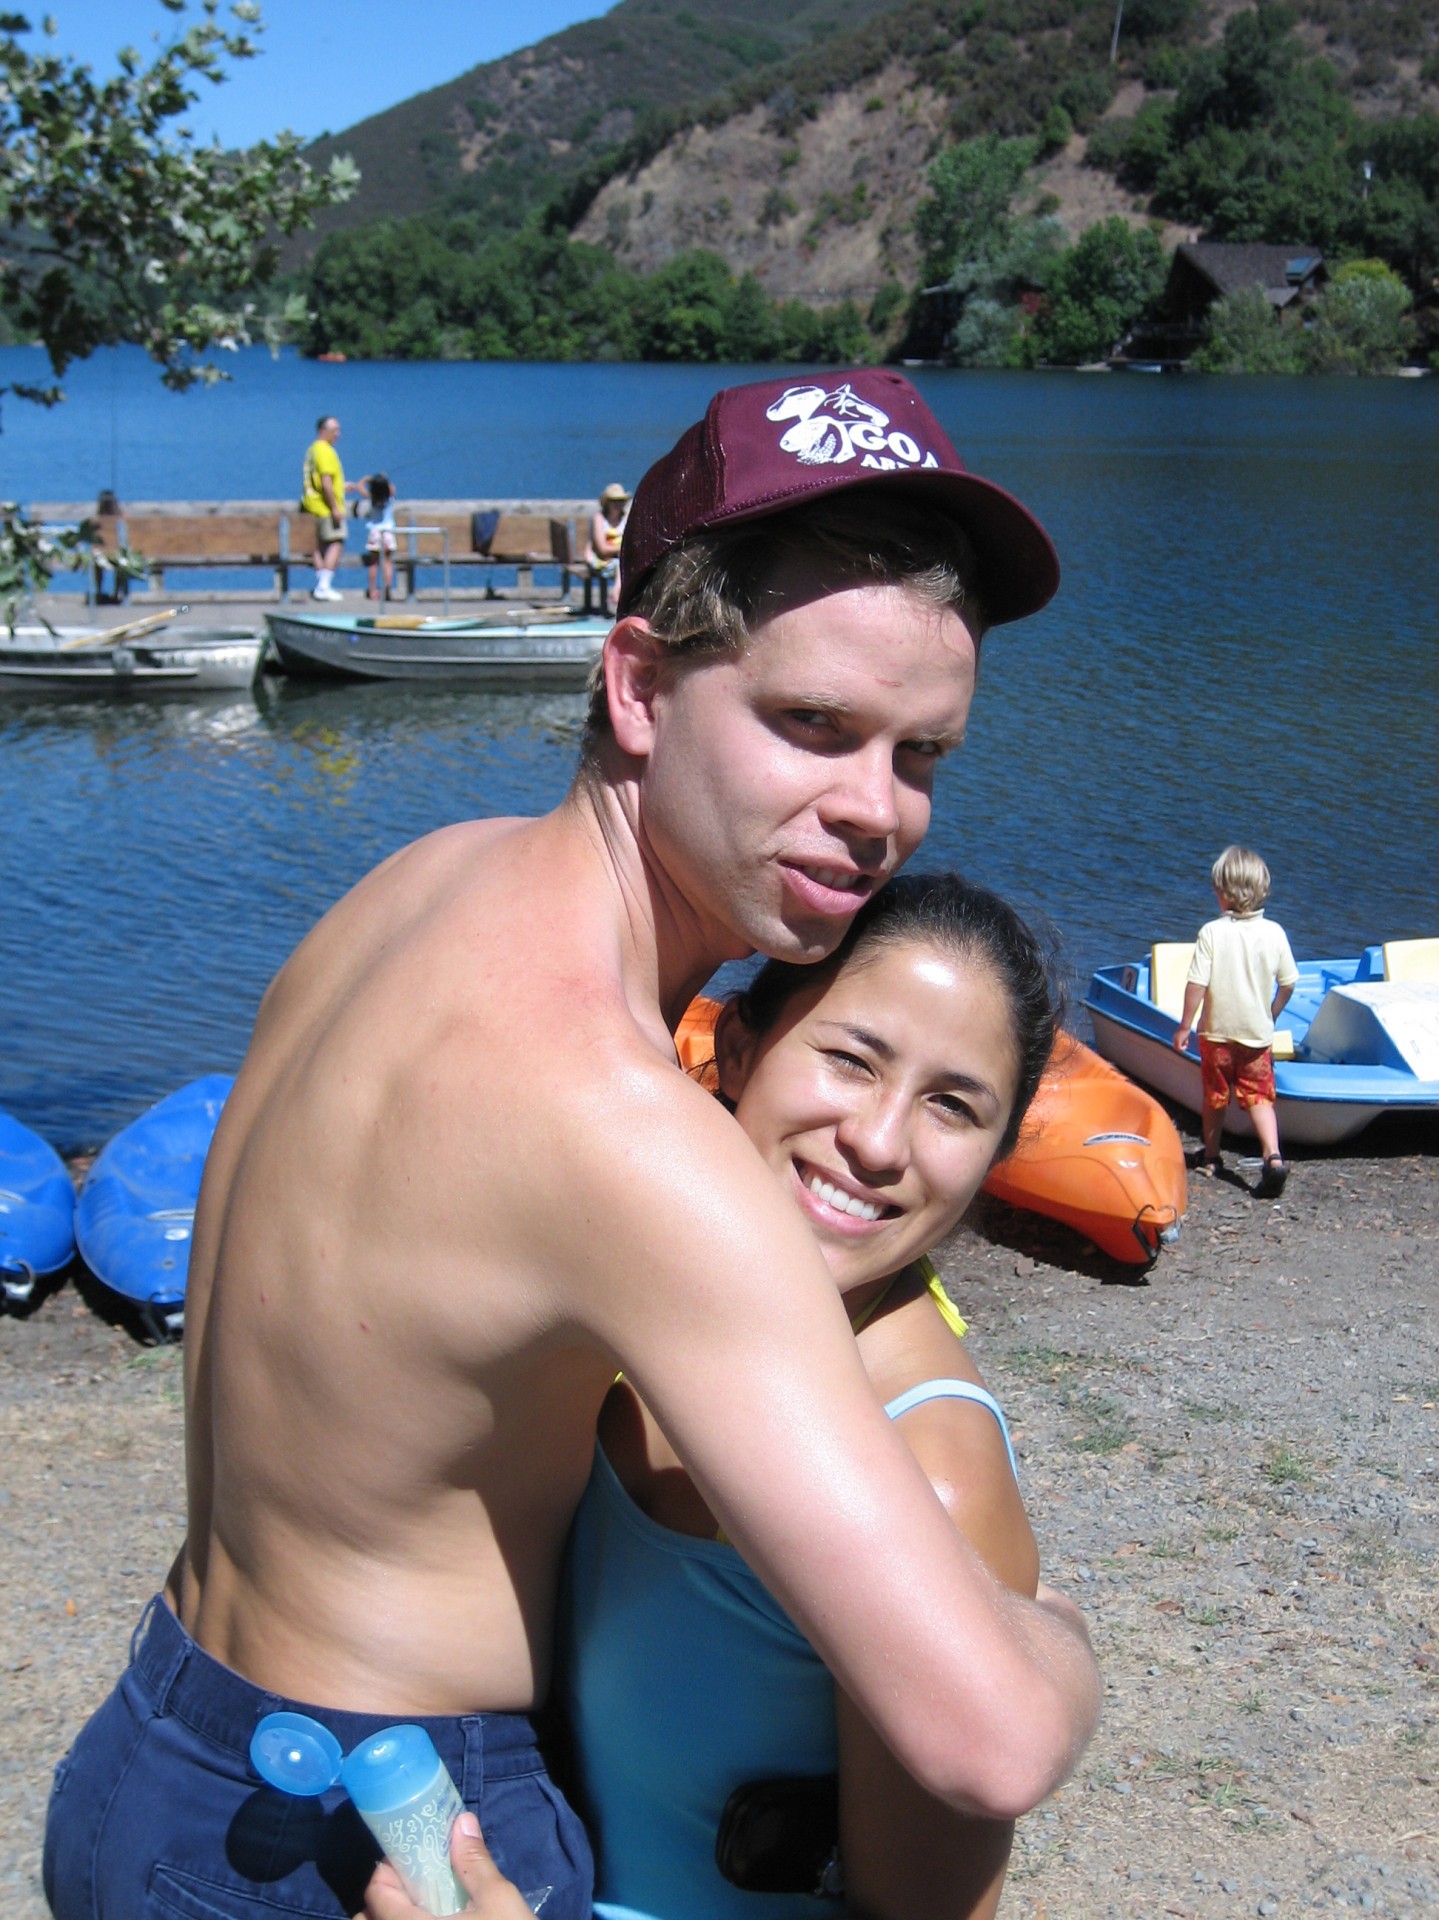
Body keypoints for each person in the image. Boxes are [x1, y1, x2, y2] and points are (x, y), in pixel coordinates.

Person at [44, 370, 1098, 1920]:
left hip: (159, 1753)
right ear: (637, 686)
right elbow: (981, 1742)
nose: (875, 811)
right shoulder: (626, 1130)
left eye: (919, 753)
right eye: (811, 725)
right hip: (399, 1841)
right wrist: (1057, 1635)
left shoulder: (411, 886)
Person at [368, 872, 1057, 1920]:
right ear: (736, 1048)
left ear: (993, 1160)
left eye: (952, 1106)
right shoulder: (623, 1308)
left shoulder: (930, 1478)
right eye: (851, 1059)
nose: (878, 1143)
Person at [1172, 844, 1297, 1195]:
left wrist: (1185, 1025)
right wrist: (1271, 1013)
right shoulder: (1275, 932)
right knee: (1260, 1098)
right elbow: (1289, 983)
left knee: (1215, 1096)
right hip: (1256, 1035)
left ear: (1223, 893)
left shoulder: (1212, 932)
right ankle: (1273, 1157)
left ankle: (1212, 1157)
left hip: (1217, 1035)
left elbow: (1197, 984)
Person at [301, 413, 355, 601]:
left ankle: (321, 584)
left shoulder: (312, 450)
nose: (338, 434)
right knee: (336, 542)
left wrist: (342, 487)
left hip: (310, 505)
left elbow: (319, 481)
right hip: (325, 508)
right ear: (322, 431)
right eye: (334, 430)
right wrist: (335, 508)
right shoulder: (326, 451)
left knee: (315, 546)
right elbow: (325, 483)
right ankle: (323, 586)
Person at [585, 480, 629, 612]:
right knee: (621, 565)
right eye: (614, 501)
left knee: (624, 563)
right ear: (607, 503)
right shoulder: (599, 519)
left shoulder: (626, 518)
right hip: (601, 560)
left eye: (621, 501)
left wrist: (622, 551)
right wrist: (621, 550)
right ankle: (617, 593)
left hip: (621, 558)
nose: (618, 505)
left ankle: (621, 598)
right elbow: (602, 549)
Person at [357, 471, 399, 600]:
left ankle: (372, 590)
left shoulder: (372, 497)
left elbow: (359, 487)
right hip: (388, 532)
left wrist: (367, 479)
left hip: (375, 532)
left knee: (373, 563)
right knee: (388, 562)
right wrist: (384, 478)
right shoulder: (389, 496)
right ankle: (387, 588)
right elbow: (392, 488)